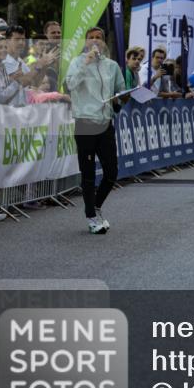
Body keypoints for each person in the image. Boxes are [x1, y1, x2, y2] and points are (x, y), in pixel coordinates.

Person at [64, 27, 128, 234]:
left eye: (98, 38)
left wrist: (126, 96)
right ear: (85, 42)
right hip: (84, 122)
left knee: (112, 172)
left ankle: (96, 206)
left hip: (105, 122)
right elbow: (70, 85)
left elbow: (120, 90)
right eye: (91, 38)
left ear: (104, 42)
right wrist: (86, 63)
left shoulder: (112, 66)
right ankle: (91, 216)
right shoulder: (77, 62)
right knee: (89, 173)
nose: (94, 41)